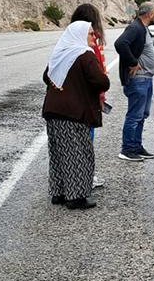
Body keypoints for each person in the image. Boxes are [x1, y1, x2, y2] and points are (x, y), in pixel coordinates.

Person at [42, 21, 110, 209]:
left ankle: (59, 192)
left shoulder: (60, 52)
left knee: (58, 153)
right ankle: (76, 197)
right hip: (73, 112)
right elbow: (101, 81)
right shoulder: (85, 55)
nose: (94, 37)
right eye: (90, 34)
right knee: (78, 153)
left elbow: (47, 76)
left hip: (53, 110)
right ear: (80, 35)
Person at [114, 2, 154, 162]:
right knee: (135, 115)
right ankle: (127, 149)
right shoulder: (135, 27)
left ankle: (136, 146)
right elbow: (120, 44)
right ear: (150, 14)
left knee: (142, 115)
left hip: (146, 79)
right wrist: (133, 62)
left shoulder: (143, 28)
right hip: (138, 79)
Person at [70, 4, 108, 187]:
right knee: (85, 140)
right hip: (87, 99)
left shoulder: (69, 40)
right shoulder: (90, 44)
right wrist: (101, 94)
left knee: (76, 142)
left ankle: (74, 176)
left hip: (75, 98)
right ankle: (84, 178)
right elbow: (98, 72)